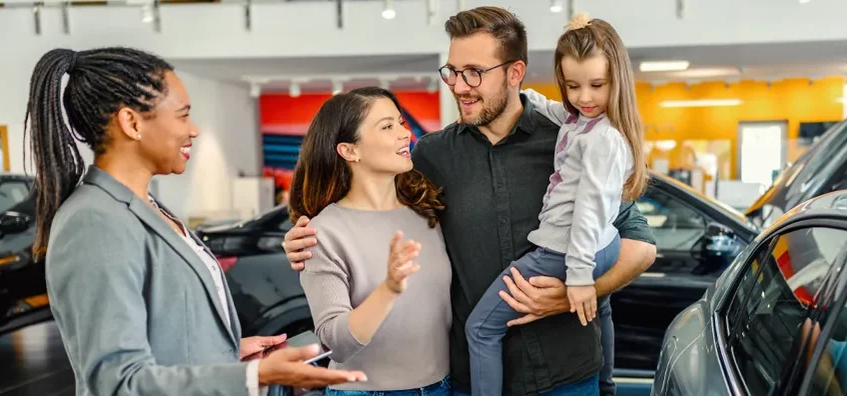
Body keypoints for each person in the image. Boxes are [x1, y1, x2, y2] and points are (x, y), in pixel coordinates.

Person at [282, 6, 658, 396]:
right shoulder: (428, 157)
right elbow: (367, 201)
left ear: (514, 73)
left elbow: (639, 244)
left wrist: (573, 294)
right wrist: (303, 237)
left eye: (474, 73)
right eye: (453, 72)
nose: (460, 86)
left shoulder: (567, 140)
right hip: (466, 380)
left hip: (565, 374)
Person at [28, 47, 366, 396]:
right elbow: (117, 383)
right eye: (182, 116)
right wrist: (252, 378)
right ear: (131, 122)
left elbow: (164, 338)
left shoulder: (148, 208)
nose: (194, 130)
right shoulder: (94, 223)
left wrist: (225, 354)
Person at [464, 12, 647, 396]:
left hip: (565, 246)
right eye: (572, 85)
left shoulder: (602, 140)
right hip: (605, 242)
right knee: (605, 306)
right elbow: (558, 112)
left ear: (618, 80)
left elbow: (590, 212)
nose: (584, 98)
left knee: (480, 329)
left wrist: (580, 279)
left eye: (597, 85)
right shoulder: (583, 121)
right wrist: (525, 96)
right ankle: (606, 384)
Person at [289, 87, 453, 395]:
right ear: (350, 151)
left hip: (440, 387)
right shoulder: (324, 232)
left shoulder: (427, 212)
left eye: (401, 123)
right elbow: (334, 342)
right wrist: (388, 290)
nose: (405, 134)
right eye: (388, 126)